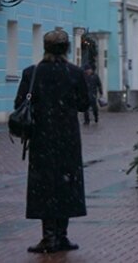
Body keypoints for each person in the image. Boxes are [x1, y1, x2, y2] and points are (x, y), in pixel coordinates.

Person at [16, 29, 92, 254]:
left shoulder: (33, 73)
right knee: (66, 184)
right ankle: (62, 235)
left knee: (44, 185)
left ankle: (48, 236)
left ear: (45, 47)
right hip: (67, 138)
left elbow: (19, 103)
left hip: (42, 137)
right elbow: (84, 104)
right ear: (66, 48)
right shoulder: (75, 73)